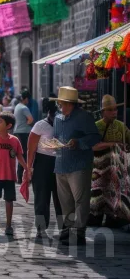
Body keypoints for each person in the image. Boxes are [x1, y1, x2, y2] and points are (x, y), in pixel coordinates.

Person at [51, 86, 100, 246]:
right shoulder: (58, 118)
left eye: (64, 104)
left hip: (79, 164)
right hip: (61, 163)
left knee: (80, 199)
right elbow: (57, 137)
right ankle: (67, 231)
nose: (61, 107)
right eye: (60, 103)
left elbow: (94, 137)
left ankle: (79, 233)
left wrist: (78, 142)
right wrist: (53, 144)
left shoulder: (84, 117)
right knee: (65, 200)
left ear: (72, 104)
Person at [89, 95, 130, 228]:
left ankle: (114, 218)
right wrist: (113, 144)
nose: (114, 112)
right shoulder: (96, 126)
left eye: (115, 110)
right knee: (98, 196)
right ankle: (96, 217)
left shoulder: (121, 127)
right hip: (98, 171)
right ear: (103, 112)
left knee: (114, 195)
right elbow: (93, 146)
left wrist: (124, 146)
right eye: (111, 110)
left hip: (115, 173)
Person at [27, 96, 62, 236]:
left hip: (60, 162)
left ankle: (64, 228)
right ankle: (41, 228)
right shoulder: (40, 125)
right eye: (54, 113)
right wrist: (29, 167)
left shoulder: (65, 123)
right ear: (49, 112)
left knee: (61, 197)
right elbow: (31, 148)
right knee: (42, 197)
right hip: (43, 163)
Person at [13, 90, 34, 183]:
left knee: (20, 154)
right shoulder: (24, 108)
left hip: (17, 132)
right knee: (24, 154)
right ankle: (23, 177)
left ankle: (19, 176)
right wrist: (27, 124)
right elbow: (30, 119)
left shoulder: (17, 106)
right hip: (24, 133)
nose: (28, 101)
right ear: (25, 99)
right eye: (28, 99)